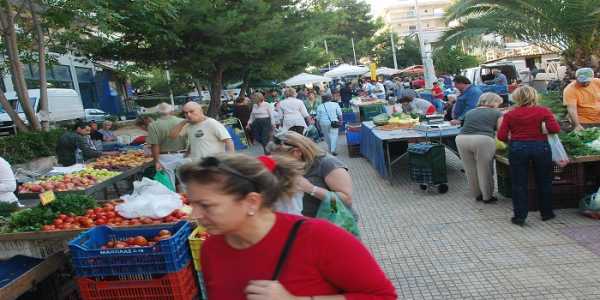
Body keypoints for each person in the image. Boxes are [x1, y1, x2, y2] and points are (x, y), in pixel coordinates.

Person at [180, 153, 397, 300]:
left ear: (252, 202)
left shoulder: (319, 237)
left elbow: (383, 296)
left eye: (206, 205)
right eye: (192, 204)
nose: (195, 215)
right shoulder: (211, 249)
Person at [497, 86, 560, 226]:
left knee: (519, 183)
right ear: (534, 96)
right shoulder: (544, 111)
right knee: (544, 180)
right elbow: (555, 129)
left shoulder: (509, 114)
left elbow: (501, 136)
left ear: (516, 98)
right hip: (540, 147)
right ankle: (547, 213)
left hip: (518, 147)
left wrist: (514, 139)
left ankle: (520, 216)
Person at [268, 131, 353, 218]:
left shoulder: (328, 164)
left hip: (332, 223)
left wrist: (312, 189)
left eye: (280, 158)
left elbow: (346, 200)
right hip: (303, 223)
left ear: (297, 152)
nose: (276, 162)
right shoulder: (290, 166)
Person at [456, 93, 504, 204]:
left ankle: (477, 194)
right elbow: (501, 130)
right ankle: (487, 197)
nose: (498, 105)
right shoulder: (497, 113)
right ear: (493, 102)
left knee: (470, 169)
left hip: (462, 139)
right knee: (484, 169)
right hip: (483, 140)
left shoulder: (470, 112)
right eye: (498, 103)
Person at [147, 103, 188, 187]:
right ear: (172, 111)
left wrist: (156, 161)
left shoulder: (153, 125)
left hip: (165, 156)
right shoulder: (182, 121)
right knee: (186, 183)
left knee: (169, 185)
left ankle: (173, 198)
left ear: (157, 113)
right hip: (184, 154)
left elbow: (155, 145)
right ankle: (188, 199)